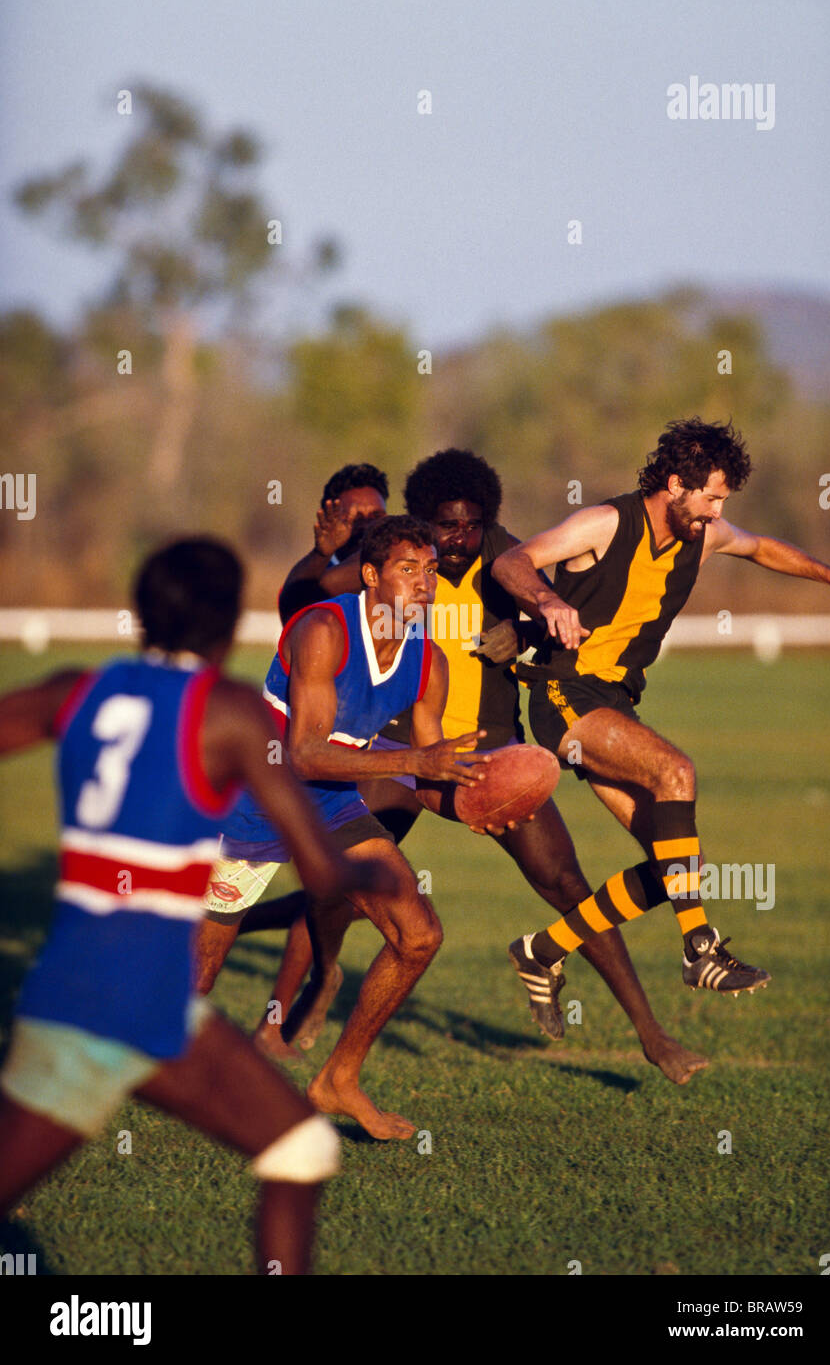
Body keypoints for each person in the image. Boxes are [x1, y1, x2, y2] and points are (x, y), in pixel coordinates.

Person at [250, 449, 709, 1085]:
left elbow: (567, 621)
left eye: (470, 526)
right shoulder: (400, 563)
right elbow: (304, 606)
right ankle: (299, 997)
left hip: (489, 753)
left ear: (487, 519)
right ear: (422, 520)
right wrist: (320, 554)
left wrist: (526, 633)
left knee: (566, 880)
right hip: (394, 745)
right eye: (443, 526)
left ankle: (653, 1035)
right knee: (339, 882)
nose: (456, 540)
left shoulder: (509, 561)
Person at [0, 538, 388, 1274]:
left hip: (96, 996)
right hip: (125, 1003)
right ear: (228, 627)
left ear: (140, 613)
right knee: (300, 1152)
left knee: (298, 1144)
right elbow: (320, 868)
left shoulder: (71, 691)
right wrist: (384, 881)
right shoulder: (230, 712)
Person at [492, 417, 830, 1001]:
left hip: (614, 702)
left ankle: (542, 950)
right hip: (564, 693)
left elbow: (759, 548)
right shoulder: (604, 523)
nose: (716, 512)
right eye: (710, 497)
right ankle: (700, 950)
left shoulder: (702, 535)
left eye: (722, 501)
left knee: (677, 862)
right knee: (677, 771)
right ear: (675, 482)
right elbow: (512, 563)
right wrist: (547, 599)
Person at [198, 515, 490, 1140]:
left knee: (418, 936)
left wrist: (475, 805)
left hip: (331, 804)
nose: (424, 583)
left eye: (431, 570)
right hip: (256, 795)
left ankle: (338, 1079)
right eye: (407, 569)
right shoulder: (326, 629)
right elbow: (304, 751)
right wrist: (416, 761)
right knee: (192, 985)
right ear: (370, 576)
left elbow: (431, 771)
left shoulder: (427, 663)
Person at [279, 462, 389, 623]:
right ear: (328, 517)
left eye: (376, 515)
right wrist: (321, 553)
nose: (366, 525)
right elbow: (293, 614)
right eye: (355, 518)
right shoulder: (307, 577)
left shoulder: (399, 571)